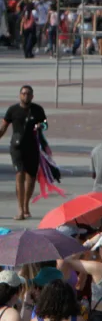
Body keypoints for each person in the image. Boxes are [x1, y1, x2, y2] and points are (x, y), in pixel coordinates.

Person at [0, 85, 47, 220]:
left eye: (28, 94)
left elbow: (46, 124)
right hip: (17, 147)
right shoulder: (13, 110)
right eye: (23, 94)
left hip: (32, 147)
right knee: (19, 175)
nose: (26, 96)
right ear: (20, 95)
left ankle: (26, 205)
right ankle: (20, 209)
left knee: (31, 178)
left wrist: (41, 126)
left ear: (32, 96)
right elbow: (3, 127)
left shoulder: (37, 110)